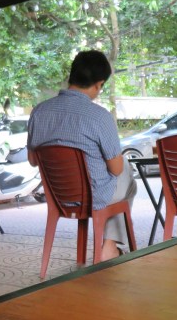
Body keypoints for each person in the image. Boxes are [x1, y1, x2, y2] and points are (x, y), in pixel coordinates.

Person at [27, 49, 136, 261]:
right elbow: (115, 169)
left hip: (58, 197)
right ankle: (110, 245)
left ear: (72, 76)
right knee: (125, 172)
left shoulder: (39, 112)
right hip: (94, 198)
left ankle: (108, 246)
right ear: (99, 84)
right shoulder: (99, 117)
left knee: (120, 173)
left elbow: (33, 160)